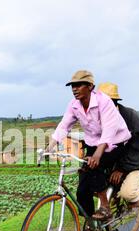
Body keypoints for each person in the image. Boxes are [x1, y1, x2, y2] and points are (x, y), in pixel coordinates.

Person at [46, 70, 131, 220]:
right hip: (93, 143)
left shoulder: (104, 102)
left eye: (78, 85)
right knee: (82, 187)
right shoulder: (74, 105)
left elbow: (109, 132)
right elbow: (64, 126)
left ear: (90, 86)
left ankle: (105, 207)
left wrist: (97, 155)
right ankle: (90, 222)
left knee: (93, 164)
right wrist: (50, 146)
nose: (74, 89)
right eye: (72, 86)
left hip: (116, 143)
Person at [97, 82, 139, 207]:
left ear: (114, 103)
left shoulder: (130, 117)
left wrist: (122, 168)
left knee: (128, 194)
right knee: (94, 183)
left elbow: (138, 146)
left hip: (133, 162)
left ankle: (135, 197)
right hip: (113, 161)